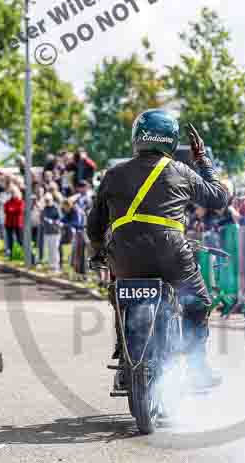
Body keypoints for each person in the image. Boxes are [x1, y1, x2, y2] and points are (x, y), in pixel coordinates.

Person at [86, 109, 229, 389]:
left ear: (136, 138)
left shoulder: (114, 174)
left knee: (121, 294)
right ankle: (197, 368)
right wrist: (203, 162)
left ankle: (126, 361)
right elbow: (219, 197)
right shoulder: (181, 171)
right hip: (172, 254)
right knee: (199, 302)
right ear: (171, 141)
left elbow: (95, 223)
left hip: (125, 255)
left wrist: (98, 250)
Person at [38, 192, 62, 271]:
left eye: (48, 200)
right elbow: (41, 219)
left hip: (55, 232)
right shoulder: (44, 208)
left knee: (55, 249)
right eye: (46, 200)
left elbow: (59, 219)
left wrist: (52, 221)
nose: (47, 201)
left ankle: (56, 266)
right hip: (47, 232)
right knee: (49, 249)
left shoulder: (56, 207)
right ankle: (50, 265)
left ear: (51, 199)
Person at [3, 185, 24, 258]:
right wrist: (12, 210)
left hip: (17, 223)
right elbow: (6, 209)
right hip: (9, 223)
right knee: (10, 240)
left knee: (20, 239)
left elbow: (20, 210)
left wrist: (11, 209)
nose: (12, 194)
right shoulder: (8, 201)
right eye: (11, 192)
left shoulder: (20, 201)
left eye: (14, 192)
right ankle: (11, 253)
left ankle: (23, 253)